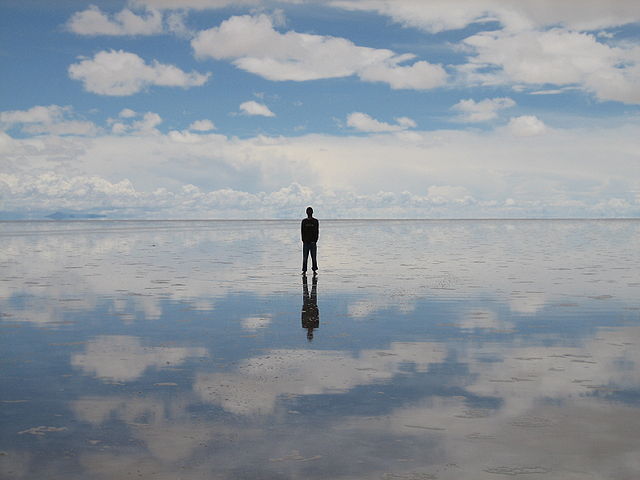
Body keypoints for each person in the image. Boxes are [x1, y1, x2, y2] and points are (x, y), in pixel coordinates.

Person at [301, 206, 319, 275]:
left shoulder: (315, 221)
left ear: (312, 212)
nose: (309, 213)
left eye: (310, 211)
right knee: (305, 257)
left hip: (313, 242)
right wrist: (303, 240)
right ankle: (304, 270)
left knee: (314, 257)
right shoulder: (304, 221)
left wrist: (315, 240)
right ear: (306, 212)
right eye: (308, 211)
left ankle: (314, 270)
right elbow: (302, 232)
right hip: (306, 243)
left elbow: (317, 231)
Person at [301, 274, 319, 341]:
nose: (310, 333)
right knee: (308, 290)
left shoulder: (305, 325)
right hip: (311, 306)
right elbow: (317, 316)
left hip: (307, 306)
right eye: (310, 334)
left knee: (310, 290)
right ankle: (309, 277)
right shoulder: (315, 325)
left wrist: (303, 308)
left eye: (309, 334)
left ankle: (312, 278)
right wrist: (316, 308)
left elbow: (303, 316)